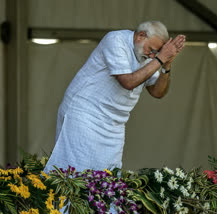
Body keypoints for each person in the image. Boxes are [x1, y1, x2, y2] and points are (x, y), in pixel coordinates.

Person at [44, 21, 186, 174]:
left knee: (107, 178)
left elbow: (158, 93)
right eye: (151, 50)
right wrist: (160, 59)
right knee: (77, 174)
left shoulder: (151, 55)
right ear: (141, 35)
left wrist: (166, 66)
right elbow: (128, 81)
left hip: (114, 124)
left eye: (156, 53)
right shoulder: (116, 40)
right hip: (84, 114)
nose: (152, 55)